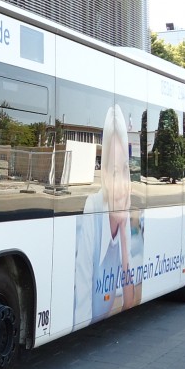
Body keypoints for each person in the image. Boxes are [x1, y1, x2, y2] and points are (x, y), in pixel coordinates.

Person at [73, 104, 144, 325]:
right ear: (103, 174)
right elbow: (82, 310)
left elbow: (130, 304)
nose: (123, 184)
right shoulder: (93, 208)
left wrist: (123, 237)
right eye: (114, 172)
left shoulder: (129, 223)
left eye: (125, 170)